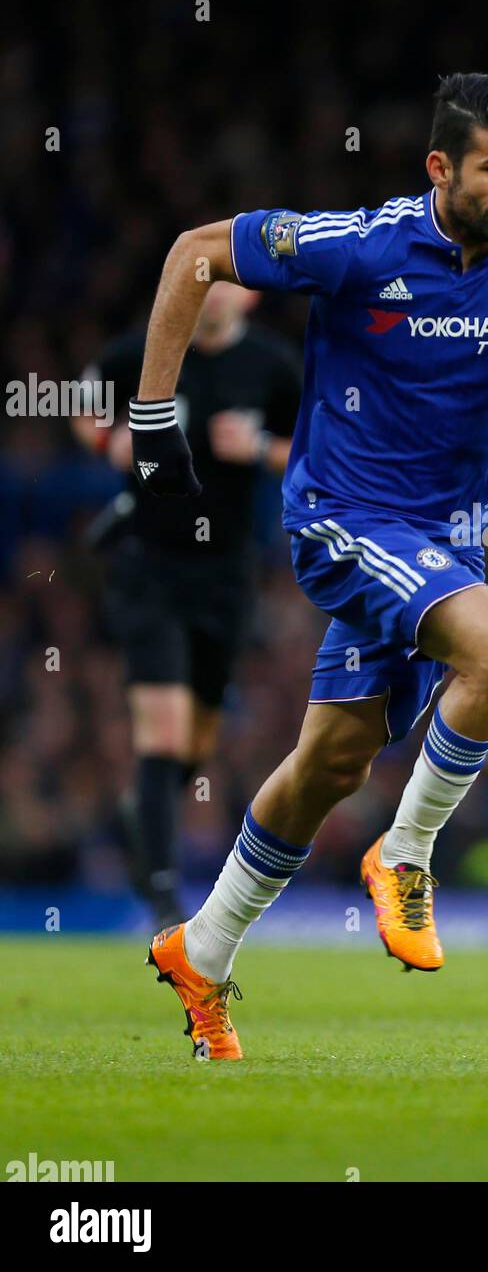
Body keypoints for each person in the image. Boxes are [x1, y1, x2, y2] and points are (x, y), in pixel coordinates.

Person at [135, 70, 488, 1058]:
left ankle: (204, 948)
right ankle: (405, 852)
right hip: (343, 517)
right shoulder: (361, 246)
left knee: (331, 762)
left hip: (444, 540)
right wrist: (154, 417)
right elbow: (197, 254)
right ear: (442, 166)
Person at [73, 283, 301, 929]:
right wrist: (104, 442)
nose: (207, 292)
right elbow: (81, 405)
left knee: (198, 737)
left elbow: (314, 452)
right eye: (198, 279)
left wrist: (258, 449)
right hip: (148, 563)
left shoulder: (272, 367)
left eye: (222, 278)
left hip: (226, 572)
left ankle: (140, 814)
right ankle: (165, 895)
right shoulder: (142, 354)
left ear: (250, 296)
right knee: (164, 734)